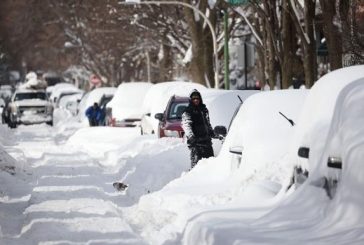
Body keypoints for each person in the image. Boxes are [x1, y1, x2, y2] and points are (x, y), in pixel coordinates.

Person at [182, 89, 215, 169]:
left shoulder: (204, 110)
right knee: (197, 169)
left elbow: (207, 123)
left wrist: (211, 132)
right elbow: (187, 126)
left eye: (197, 98)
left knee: (211, 166)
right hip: (196, 144)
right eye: (194, 98)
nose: (196, 100)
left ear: (200, 99)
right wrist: (191, 137)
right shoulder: (187, 112)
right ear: (191, 100)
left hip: (207, 142)